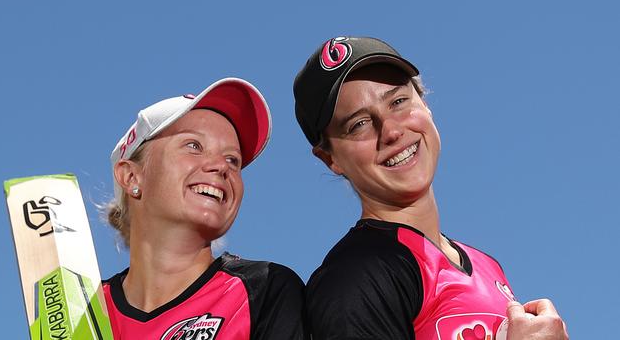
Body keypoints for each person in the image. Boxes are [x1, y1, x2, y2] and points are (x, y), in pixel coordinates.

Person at [293, 36, 568, 339]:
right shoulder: (356, 277)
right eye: (359, 124)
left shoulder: (486, 265)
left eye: (398, 102)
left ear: (424, 103)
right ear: (330, 158)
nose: (392, 132)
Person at [103, 77, 307, 339]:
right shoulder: (79, 314)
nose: (222, 167)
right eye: (194, 146)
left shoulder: (265, 289)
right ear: (132, 177)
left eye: (233, 160)